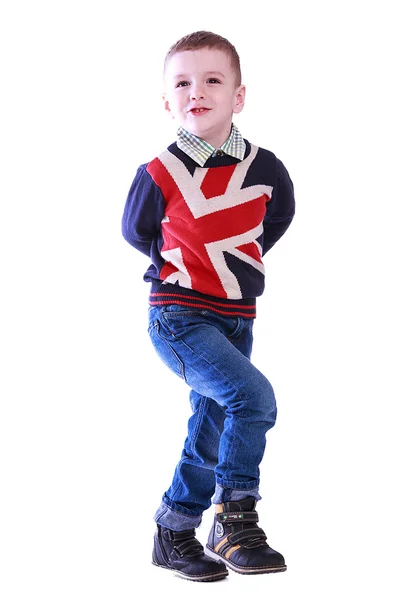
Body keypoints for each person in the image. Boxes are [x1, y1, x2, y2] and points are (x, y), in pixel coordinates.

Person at [122, 30, 295, 582]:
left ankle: (174, 532)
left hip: (236, 316)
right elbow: (137, 231)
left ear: (238, 96)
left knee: (215, 422)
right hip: (177, 316)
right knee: (253, 397)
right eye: (182, 82)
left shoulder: (266, 168)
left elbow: (276, 219)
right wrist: (188, 264)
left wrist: (236, 263)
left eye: (213, 80)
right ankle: (235, 518)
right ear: (167, 100)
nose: (197, 91)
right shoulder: (160, 173)